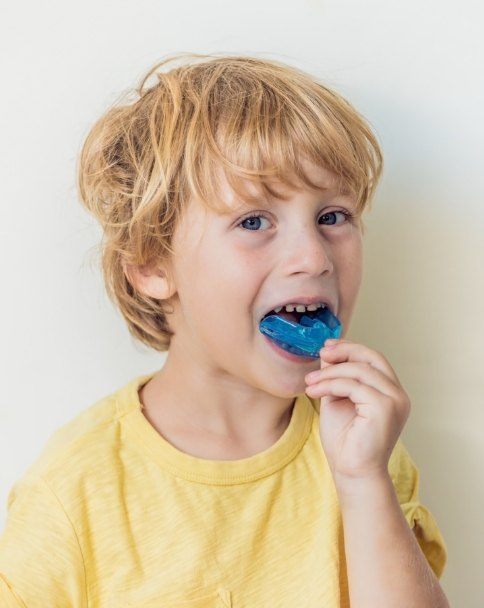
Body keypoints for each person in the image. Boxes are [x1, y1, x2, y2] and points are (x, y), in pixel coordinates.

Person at [0, 52, 449, 607]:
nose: (313, 257)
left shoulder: (362, 447)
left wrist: (363, 481)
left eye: (332, 217)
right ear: (151, 264)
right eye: (253, 221)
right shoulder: (73, 493)